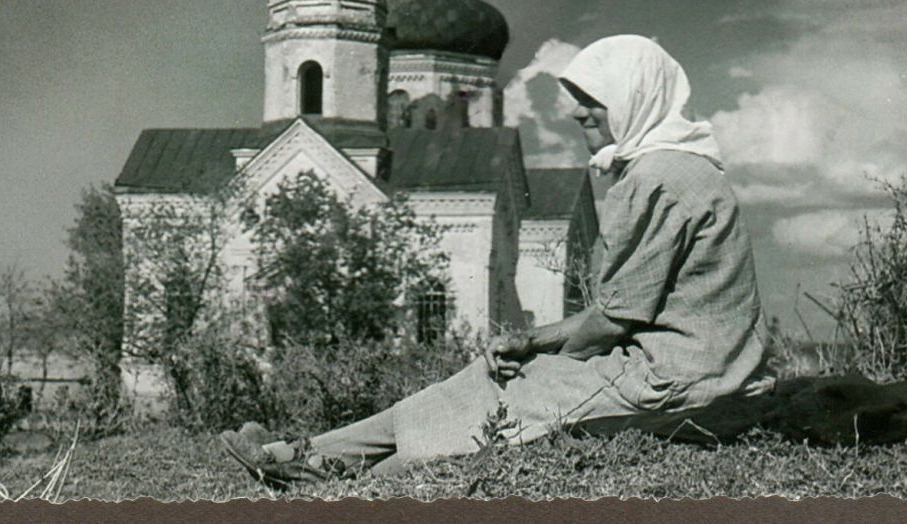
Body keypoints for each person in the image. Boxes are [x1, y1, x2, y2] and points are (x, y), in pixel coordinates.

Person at [221, 35, 773, 488]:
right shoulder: (692, 168)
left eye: (594, 98)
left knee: (500, 387)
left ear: (635, 97)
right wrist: (538, 346)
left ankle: (316, 466)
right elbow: (627, 313)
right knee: (487, 384)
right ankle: (308, 457)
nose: (579, 110)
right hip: (718, 367)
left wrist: (537, 350)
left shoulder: (652, 180)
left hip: (672, 380)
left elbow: (612, 320)